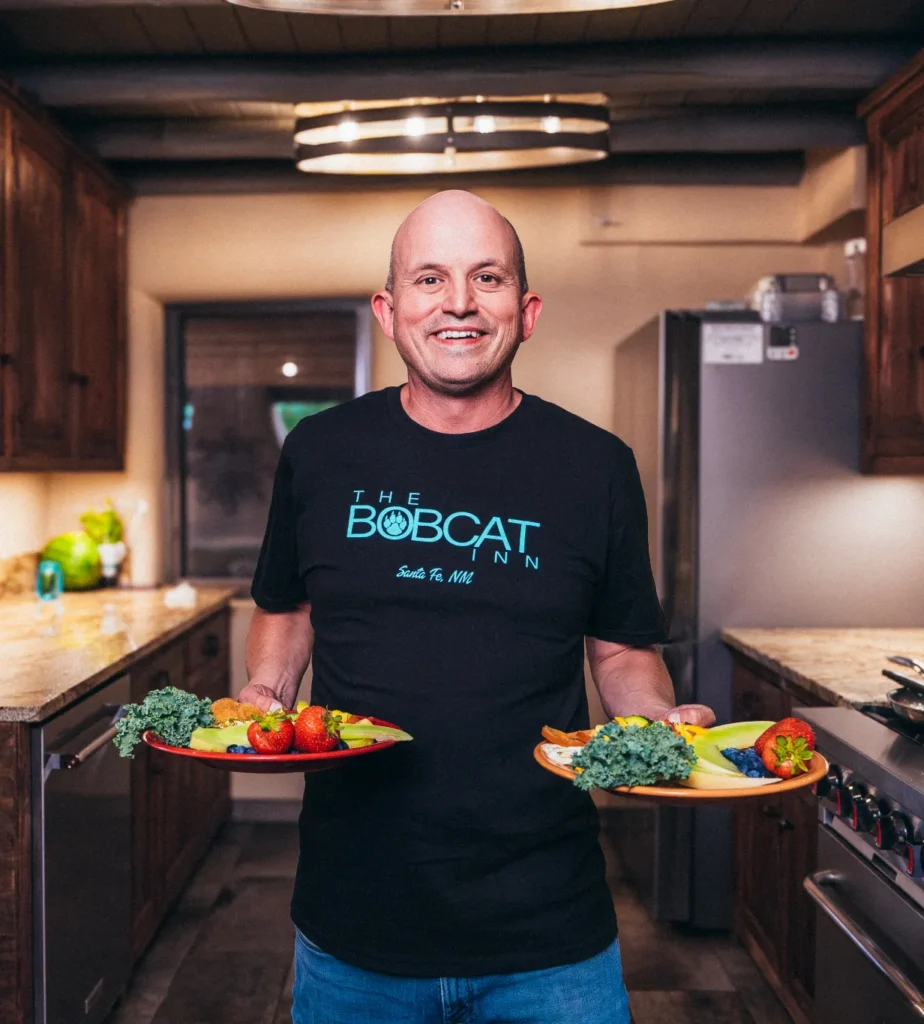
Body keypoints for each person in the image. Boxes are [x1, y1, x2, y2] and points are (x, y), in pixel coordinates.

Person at [240, 189, 715, 1024]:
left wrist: (649, 723)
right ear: (390, 311)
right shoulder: (318, 451)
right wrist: (267, 699)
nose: (458, 302)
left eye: (486, 278)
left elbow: (621, 648)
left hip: (549, 931)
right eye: (429, 279)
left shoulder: (597, 466)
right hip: (356, 922)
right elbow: (287, 607)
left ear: (525, 312)